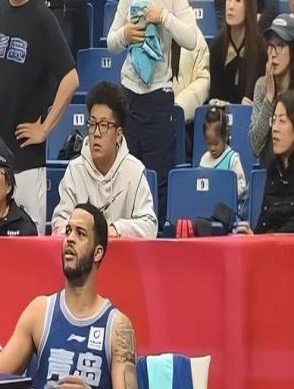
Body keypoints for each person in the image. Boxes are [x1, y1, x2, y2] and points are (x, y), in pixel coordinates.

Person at [0, 203, 138, 389]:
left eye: (80, 234)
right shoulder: (39, 312)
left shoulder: (117, 327)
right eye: (68, 231)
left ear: (97, 253)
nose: (69, 239)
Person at [0, 0, 79, 235]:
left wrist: (45, 129)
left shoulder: (43, 17)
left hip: (26, 160)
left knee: (28, 246)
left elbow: (71, 79)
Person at [107, 0, 197, 226]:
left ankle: (154, 235)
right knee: (123, 176)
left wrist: (164, 17)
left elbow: (191, 39)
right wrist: (125, 35)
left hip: (158, 98)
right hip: (128, 95)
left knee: (158, 180)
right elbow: (111, 42)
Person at [52, 82, 157, 238]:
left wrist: (115, 229)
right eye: (92, 124)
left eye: (104, 125)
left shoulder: (134, 171)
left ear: (118, 134)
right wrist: (87, 232)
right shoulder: (75, 170)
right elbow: (59, 224)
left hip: (122, 252)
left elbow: (149, 226)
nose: (96, 133)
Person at [237, 91, 294, 234]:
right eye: (273, 121)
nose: (275, 128)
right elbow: (264, 221)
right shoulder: (273, 168)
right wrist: (253, 236)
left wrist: (266, 241)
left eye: (282, 121)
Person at [249, 13, 294, 167]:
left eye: (280, 46)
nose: (273, 54)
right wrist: (269, 97)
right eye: (271, 46)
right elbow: (255, 147)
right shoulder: (262, 86)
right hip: (269, 171)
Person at [209, 0, 267, 105]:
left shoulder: (261, 48)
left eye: (238, 1)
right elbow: (214, 96)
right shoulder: (217, 47)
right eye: (229, 0)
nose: (231, 6)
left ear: (248, 7)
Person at [172, 27, 210, 161]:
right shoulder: (149, 32)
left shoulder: (195, 37)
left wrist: (177, 108)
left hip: (185, 122)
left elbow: (203, 80)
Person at [199, 104, 247, 208]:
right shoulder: (204, 159)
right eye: (209, 144)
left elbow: (242, 186)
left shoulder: (232, 159)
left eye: (216, 143)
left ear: (225, 137)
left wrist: (226, 192)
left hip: (227, 209)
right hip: (207, 207)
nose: (212, 148)